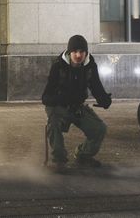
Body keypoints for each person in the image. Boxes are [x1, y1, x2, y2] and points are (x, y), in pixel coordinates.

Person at [42, 35, 112, 171]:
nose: (78, 55)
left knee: (99, 129)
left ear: (86, 52)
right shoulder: (58, 66)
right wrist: (60, 99)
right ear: (69, 52)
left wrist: (104, 99)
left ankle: (83, 156)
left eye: (82, 51)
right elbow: (46, 96)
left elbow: (96, 86)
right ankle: (59, 160)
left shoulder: (90, 65)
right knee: (54, 124)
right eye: (75, 51)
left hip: (77, 108)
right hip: (58, 107)